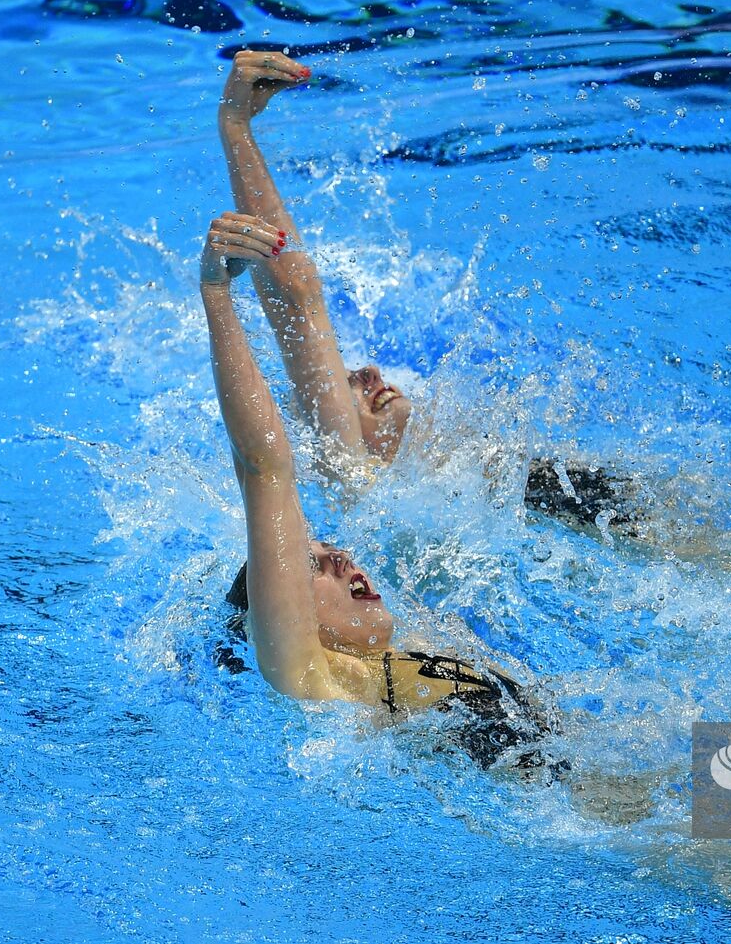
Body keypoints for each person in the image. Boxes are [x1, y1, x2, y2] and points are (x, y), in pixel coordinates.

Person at [216, 50, 642, 534]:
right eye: (345, 381)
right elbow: (298, 301)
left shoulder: (466, 472)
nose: (369, 373)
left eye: (352, 373)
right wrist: (236, 129)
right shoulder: (359, 475)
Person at [199, 209, 552, 771]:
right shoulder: (317, 679)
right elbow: (264, 467)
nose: (339, 558)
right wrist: (215, 294)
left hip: (620, 796)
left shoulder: (419, 648)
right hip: (601, 825)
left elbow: (303, 305)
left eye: (321, 553)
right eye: (310, 567)